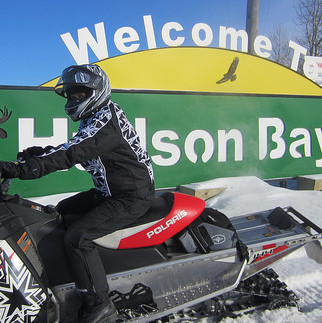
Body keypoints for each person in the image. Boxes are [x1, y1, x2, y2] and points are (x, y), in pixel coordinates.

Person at [0, 64, 155, 323]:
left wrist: (20, 170)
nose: (74, 99)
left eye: (79, 94)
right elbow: (79, 149)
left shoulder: (106, 120)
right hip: (109, 192)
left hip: (130, 196)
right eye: (71, 95)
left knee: (77, 237)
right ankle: (66, 277)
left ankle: (98, 304)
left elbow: (75, 152)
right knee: (59, 211)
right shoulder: (97, 116)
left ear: (96, 92)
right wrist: (40, 153)